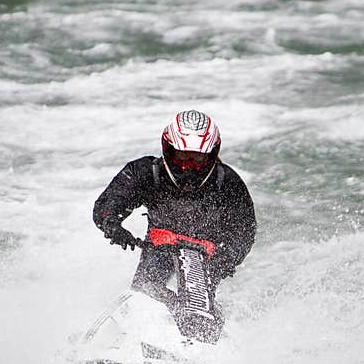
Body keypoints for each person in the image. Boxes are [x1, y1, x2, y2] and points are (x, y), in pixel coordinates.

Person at [92, 110, 256, 310]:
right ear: (168, 150)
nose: (189, 169)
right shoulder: (146, 172)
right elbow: (107, 205)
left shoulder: (228, 183)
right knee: (145, 290)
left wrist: (225, 257)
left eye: (198, 161)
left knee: (199, 312)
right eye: (182, 158)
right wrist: (112, 225)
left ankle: (208, 330)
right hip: (158, 248)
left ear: (212, 156)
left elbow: (245, 231)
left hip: (207, 258)